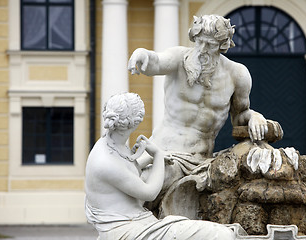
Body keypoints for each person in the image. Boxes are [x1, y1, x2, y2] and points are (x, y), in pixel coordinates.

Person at [128, 15, 271, 195]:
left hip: (201, 158)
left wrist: (254, 116)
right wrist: (142, 53)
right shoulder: (179, 58)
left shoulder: (237, 75)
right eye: (199, 42)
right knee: (140, 184)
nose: (202, 49)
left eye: (210, 45)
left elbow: (239, 115)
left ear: (222, 46)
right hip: (163, 151)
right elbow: (156, 62)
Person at [85, 92, 239, 239]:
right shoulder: (106, 162)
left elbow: (126, 176)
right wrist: (157, 156)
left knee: (214, 231)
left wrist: (147, 160)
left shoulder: (111, 144)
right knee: (220, 234)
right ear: (134, 123)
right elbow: (149, 193)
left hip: (138, 222)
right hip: (129, 232)